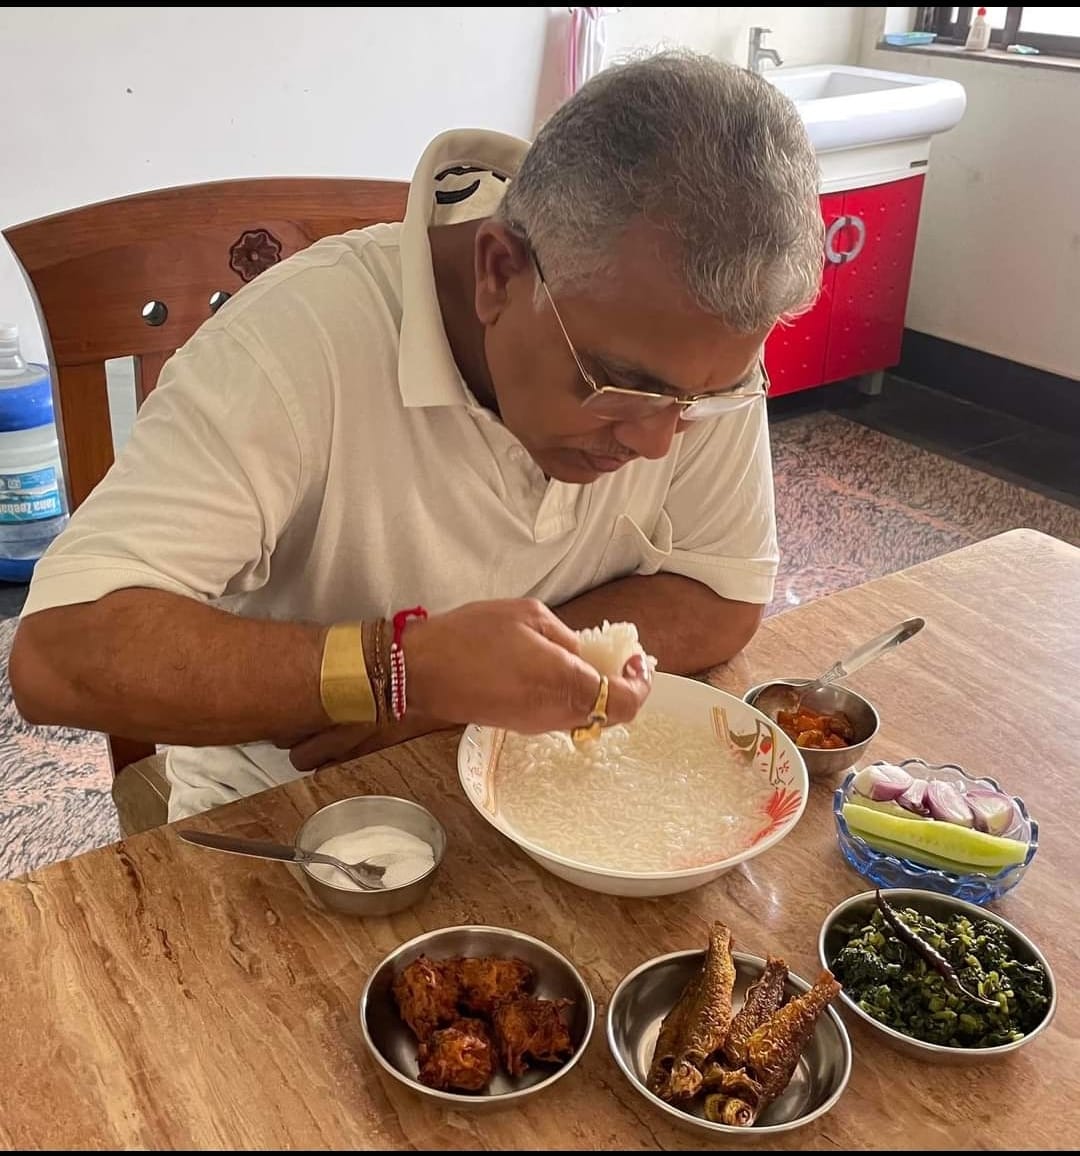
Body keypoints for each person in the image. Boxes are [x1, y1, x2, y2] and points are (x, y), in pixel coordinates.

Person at [9, 51, 822, 820]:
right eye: (620, 387)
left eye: (703, 401)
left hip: (537, 789)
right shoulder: (291, 348)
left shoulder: (686, 344)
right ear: (498, 272)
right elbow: (58, 654)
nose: (656, 443)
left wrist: (473, 686)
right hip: (291, 813)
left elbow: (721, 592)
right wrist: (397, 667)